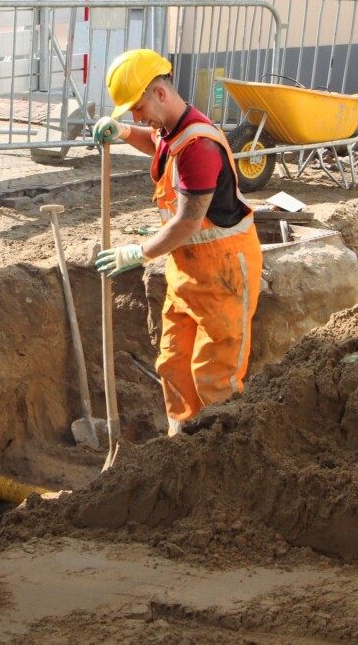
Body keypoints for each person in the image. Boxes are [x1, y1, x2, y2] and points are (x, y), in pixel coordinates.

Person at [93, 48, 262, 436]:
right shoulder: (171, 129)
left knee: (213, 373)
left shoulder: (199, 148)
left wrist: (137, 252)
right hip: (187, 271)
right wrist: (122, 133)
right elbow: (157, 144)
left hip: (223, 272)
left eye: (136, 108)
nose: (136, 117)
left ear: (159, 94)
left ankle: (218, 453)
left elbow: (187, 221)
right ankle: (181, 445)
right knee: (173, 363)